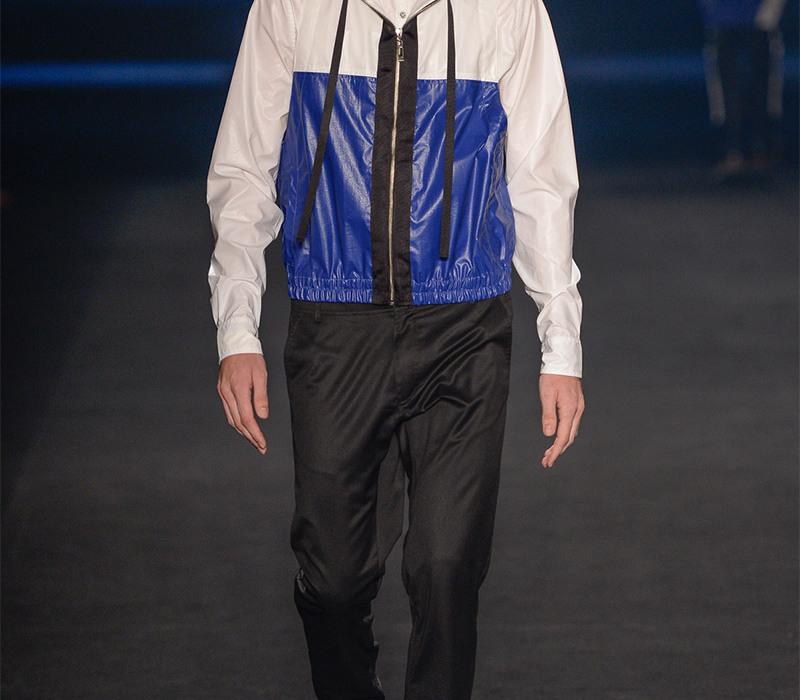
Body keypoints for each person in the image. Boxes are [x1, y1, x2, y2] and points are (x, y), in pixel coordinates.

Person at [207, 0, 584, 697]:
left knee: (448, 568)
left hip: (464, 323)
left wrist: (561, 343)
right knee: (332, 581)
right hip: (334, 326)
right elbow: (245, 163)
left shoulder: (507, 6)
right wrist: (237, 328)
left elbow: (541, 172)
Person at [700, 0, 786, 179]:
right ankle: (732, 150)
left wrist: (769, 12)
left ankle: (760, 148)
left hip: (759, 20)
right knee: (726, 88)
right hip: (724, 20)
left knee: (761, 86)